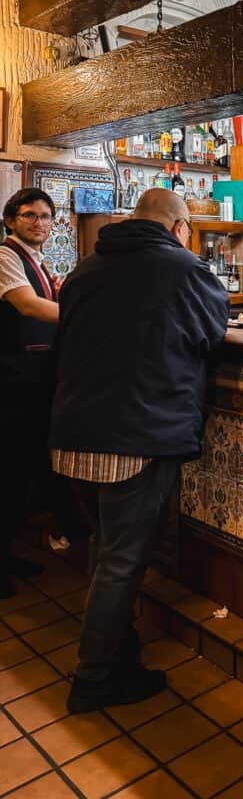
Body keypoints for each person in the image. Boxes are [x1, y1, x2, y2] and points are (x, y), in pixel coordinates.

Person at [49, 189, 230, 713]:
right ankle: (94, 679)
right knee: (122, 562)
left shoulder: (85, 269)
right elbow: (213, 331)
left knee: (106, 553)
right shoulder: (182, 269)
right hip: (135, 436)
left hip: (74, 434)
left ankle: (117, 652)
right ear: (179, 227)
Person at [0, 188, 61, 597]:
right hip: (10, 382)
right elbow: (27, 307)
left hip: (31, 381)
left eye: (45, 216)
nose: (39, 223)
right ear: (10, 220)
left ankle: (6, 556)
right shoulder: (5, 256)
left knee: (19, 477)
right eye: (29, 216)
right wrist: (88, 311)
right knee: (6, 476)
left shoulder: (36, 261)